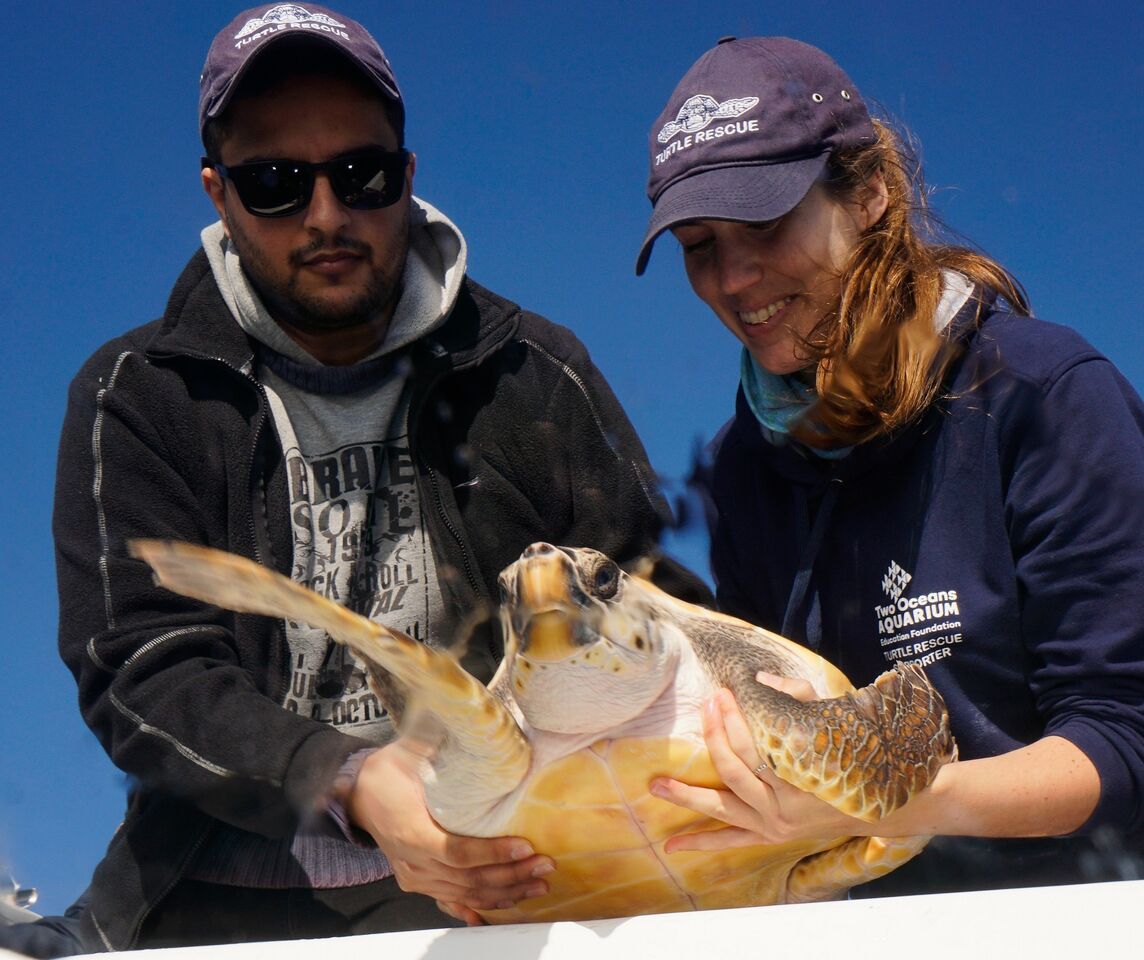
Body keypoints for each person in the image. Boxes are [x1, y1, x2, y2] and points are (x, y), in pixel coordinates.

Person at [48, 4, 704, 952]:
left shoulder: (535, 374)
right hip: (211, 891)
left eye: (362, 175)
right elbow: (142, 671)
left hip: (506, 873)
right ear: (218, 195)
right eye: (275, 184)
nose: (327, 216)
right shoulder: (136, 396)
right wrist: (347, 778)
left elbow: (659, 611)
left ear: (408, 175)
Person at [634, 36, 1144, 895]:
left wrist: (888, 802)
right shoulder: (741, 469)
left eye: (763, 223)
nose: (733, 277)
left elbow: (1125, 735)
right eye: (697, 244)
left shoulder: (1047, 395)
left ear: (871, 190)